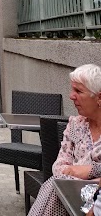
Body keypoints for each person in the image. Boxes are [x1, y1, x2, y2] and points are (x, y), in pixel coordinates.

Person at [28, 64, 101, 216]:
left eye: (78, 91)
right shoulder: (76, 124)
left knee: (53, 188)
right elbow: (59, 166)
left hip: (97, 199)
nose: (71, 96)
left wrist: (90, 170)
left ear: (99, 97)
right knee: (56, 186)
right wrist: (79, 177)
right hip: (72, 194)